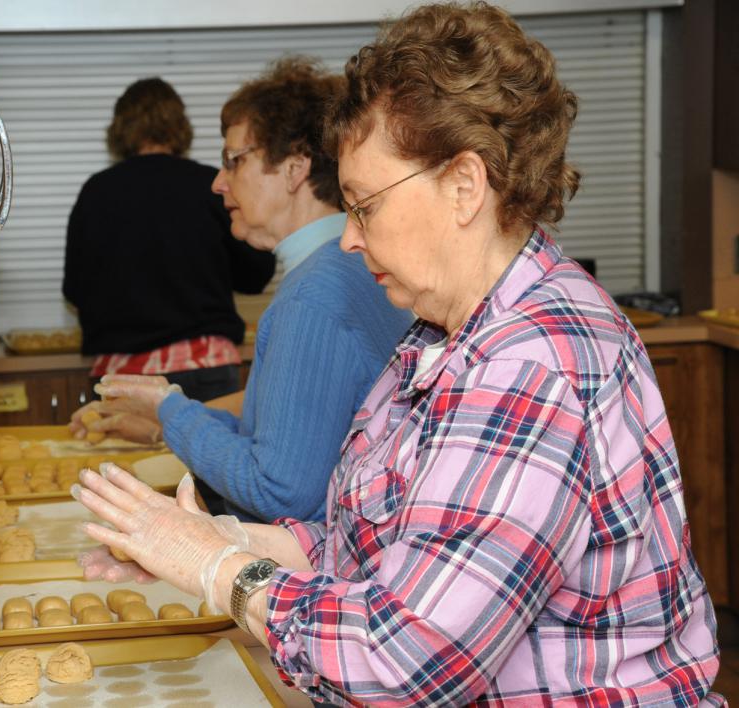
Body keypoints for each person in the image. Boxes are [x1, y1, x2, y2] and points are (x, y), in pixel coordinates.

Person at [74, 3, 723, 705]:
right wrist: (216, 539)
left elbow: (405, 663)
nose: (349, 240)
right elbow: (374, 553)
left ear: (464, 186)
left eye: (364, 206)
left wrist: (217, 567)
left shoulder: (530, 364)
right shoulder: (439, 330)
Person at [70, 58, 413, 524]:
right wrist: (166, 424)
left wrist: (170, 409)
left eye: (235, 160)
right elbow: (283, 443)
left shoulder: (313, 297)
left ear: (294, 169)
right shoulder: (349, 267)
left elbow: (277, 489)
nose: (217, 181)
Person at [63, 77, 275, 402]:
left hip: (120, 373)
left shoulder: (97, 192)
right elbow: (255, 274)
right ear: (180, 127)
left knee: (114, 456)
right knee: (208, 452)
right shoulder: (211, 186)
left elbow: (75, 291)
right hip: (204, 367)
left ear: (120, 129)